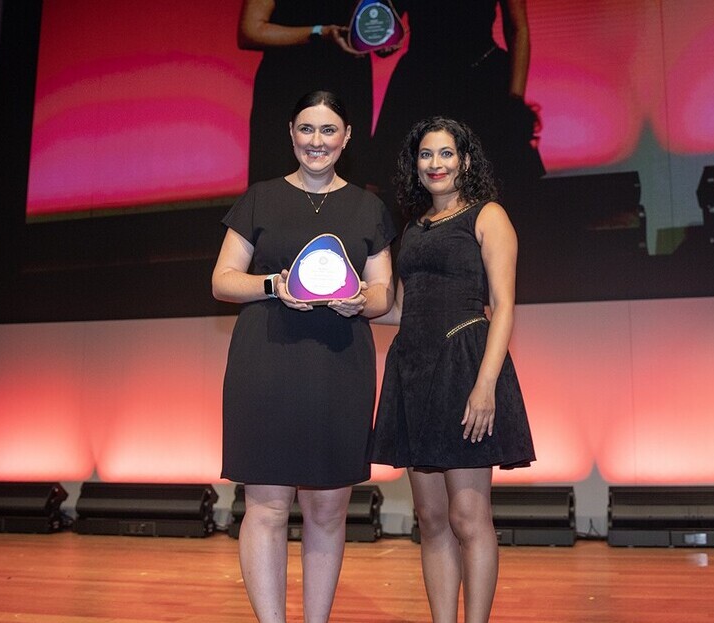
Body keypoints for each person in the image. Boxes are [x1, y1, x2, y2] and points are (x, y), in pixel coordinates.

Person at [212, 90, 395, 623]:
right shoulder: (260, 198)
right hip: (267, 361)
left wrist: (363, 299)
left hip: (339, 365)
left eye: (329, 130)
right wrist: (274, 283)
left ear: (347, 138)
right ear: (291, 133)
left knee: (327, 508)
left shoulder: (368, 206)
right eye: (307, 130)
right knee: (266, 505)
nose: (317, 141)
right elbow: (222, 280)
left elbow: (385, 293)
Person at [369, 117, 535, 623]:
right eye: (425, 155)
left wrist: (485, 385)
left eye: (445, 154)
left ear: (465, 161)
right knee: (432, 518)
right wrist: (348, 298)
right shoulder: (412, 230)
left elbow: (504, 306)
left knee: (468, 518)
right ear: (414, 166)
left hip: (464, 370)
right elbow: (398, 307)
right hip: (413, 372)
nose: (435, 164)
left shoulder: (488, 217)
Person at [368, 0, 543, 201]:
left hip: (482, 84)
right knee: (411, 194)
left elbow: (517, 29)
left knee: (496, 190)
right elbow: (383, 28)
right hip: (421, 85)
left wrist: (515, 101)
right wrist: (380, 37)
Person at [239, 0, 374, 187]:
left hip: (347, 80)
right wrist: (320, 32)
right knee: (279, 180)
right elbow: (250, 31)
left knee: (345, 181)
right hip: (290, 83)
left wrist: (381, 38)